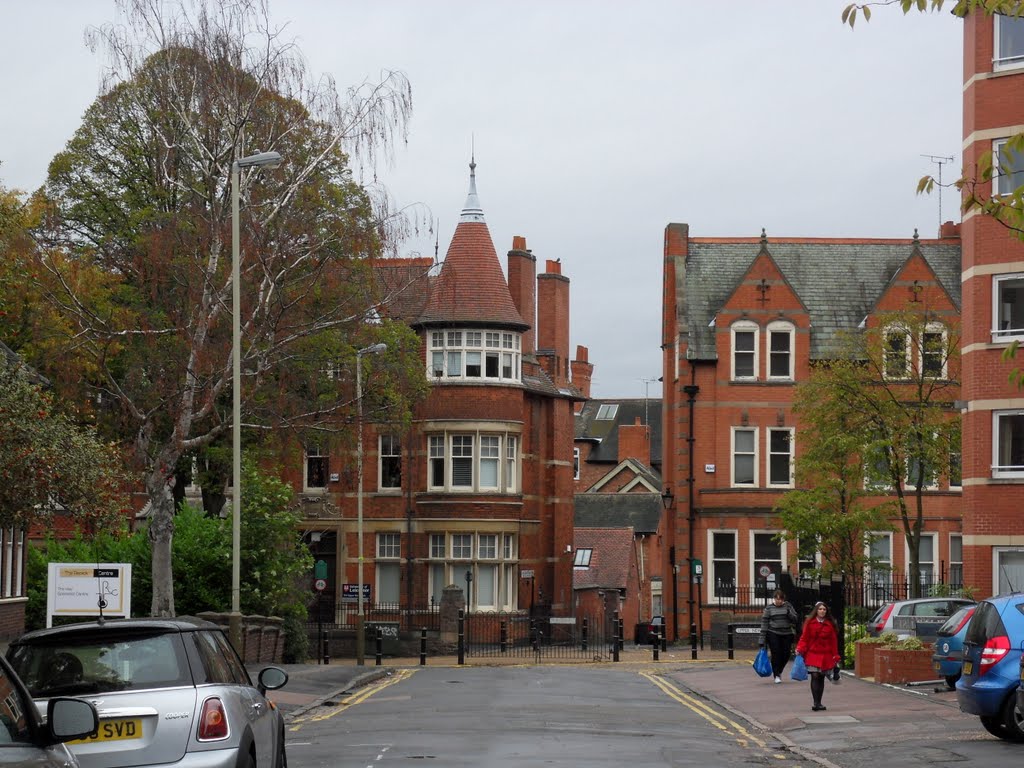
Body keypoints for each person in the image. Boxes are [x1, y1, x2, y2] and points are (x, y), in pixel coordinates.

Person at [795, 601, 841, 712]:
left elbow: (833, 641)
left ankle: (819, 702)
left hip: (825, 654)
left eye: (824, 609)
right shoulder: (809, 623)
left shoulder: (830, 624)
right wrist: (800, 648)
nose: (822, 611)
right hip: (813, 653)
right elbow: (804, 638)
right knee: (815, 675)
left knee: (821, 677)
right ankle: (815, 703)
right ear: (816, 611)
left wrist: (835, 656)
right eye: (820, 609)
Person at [758, 589, 798, 683]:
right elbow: (764, 624)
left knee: (786, 654)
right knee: (776, 654)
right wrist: (761, 640)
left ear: (783, 599)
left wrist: (789, 613)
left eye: (781, 599)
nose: (779, 601)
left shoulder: (788, 606)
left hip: (786, 633)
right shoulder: (769, 608)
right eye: (777, 599)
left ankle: (779, 670)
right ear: (774, 599)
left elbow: (795, 619)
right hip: (773, 633)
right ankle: (776, 675)